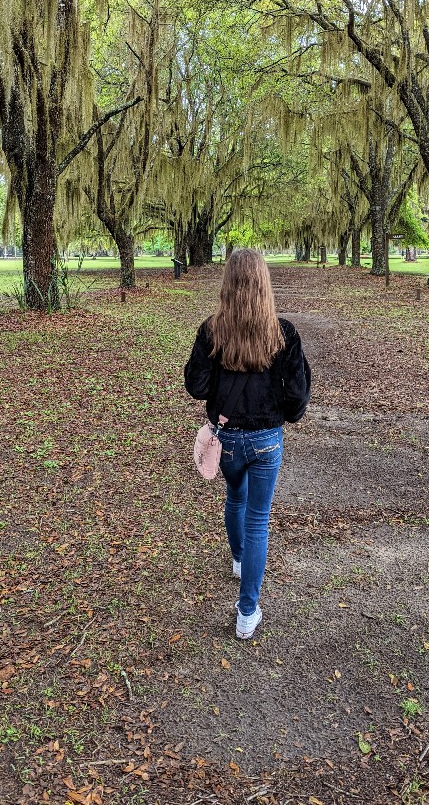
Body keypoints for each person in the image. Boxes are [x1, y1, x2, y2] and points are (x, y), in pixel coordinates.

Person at [184, 249, 311, 640]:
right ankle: (246, 612)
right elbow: (299, 395)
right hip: (266, 441)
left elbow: (196, 386)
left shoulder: (211, 331)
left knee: (235, 499)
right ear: (264, 284)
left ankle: (239, 559)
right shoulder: (282, 332)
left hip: (227, 439)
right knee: (258, 520)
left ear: (228, 285)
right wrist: (282, 417)